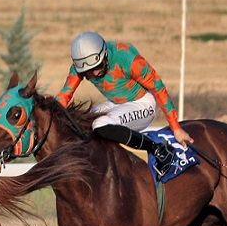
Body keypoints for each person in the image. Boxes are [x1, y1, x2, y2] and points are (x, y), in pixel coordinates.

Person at [56, 31, 193, 178]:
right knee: (81, 121)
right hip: (116, 103)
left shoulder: (129, 59)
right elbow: (64, 96)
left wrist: (176, 128)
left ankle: (158, 150)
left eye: (98, 67)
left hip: (143, 103)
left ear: (105, 55)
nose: (94, 74)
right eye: (88, 71)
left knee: (100, 124)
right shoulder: (81, 66)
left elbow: (158, 88)